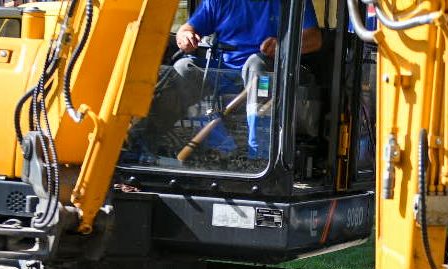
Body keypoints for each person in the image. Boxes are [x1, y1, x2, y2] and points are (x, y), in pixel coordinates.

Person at [137, 0, 321, 159]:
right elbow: (187, 28)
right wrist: (185, 36)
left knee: (255, 64)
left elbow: (314, 39)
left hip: (265, 78)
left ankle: (259, 155)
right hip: (222, 73)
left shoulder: (293, 3)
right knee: (183, 68)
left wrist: (283, 45)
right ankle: (146, 146)